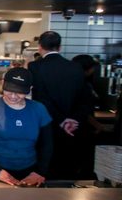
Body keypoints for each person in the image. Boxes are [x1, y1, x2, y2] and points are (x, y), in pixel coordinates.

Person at [0, 67, 53, 186]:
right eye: (9, 90)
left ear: (30, 89)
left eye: (19, 92)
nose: (13, 96)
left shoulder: (39, 109)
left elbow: (47, 144)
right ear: (3, 84)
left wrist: (39, 172)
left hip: (30, 171)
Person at [28, 31, 89, 179]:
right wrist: (73, 119)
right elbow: (85, 99)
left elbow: (40, 99)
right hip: (72, 128)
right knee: (66, 168)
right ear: (60, 47)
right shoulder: (75, 67)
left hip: (46, 125)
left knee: (46, 166)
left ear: (40, 47)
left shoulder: (35, 67)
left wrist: (61, 120)